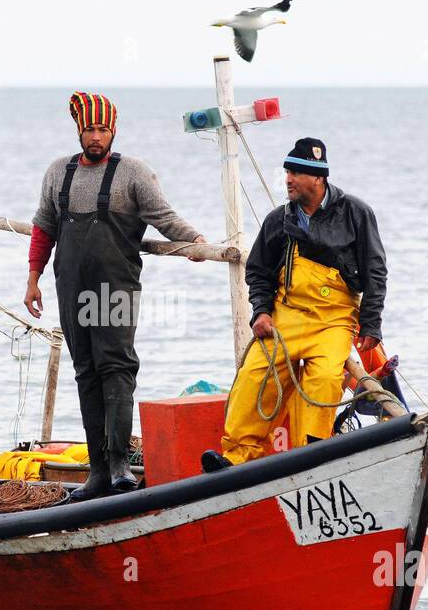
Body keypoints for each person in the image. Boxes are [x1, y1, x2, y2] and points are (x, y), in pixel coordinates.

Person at [25, 92, 208, 499]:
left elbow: (164, 217)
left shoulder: (133, 173)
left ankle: (120, 464)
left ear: (113, 131)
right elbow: (43, 228)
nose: (95, 136)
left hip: (115, 287)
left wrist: (193, 240)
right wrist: (33, 277)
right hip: (70, 287)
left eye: (102, 129)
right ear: (79, 130)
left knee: (117, 368)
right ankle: (97, 472)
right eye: (89, 129)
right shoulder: (58, 172)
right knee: (86, 372)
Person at [202, 138, 387, 470]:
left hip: (334, 320)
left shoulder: (356, 213)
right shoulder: (278, 219)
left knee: (326, 380)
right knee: (254, 376)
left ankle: (311, 457)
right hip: (285, 316)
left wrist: (371, 324)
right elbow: (258, 271)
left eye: (297, 172)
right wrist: (261, 311)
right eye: (287, 171)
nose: (288, 179)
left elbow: (375, 271)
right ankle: (236, 457)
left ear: (318, 178)